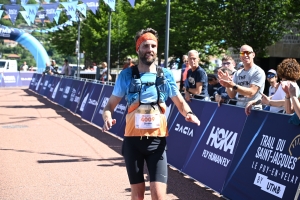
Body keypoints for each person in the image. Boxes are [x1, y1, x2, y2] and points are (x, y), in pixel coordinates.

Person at [102, 28, 200, 200]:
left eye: (153, 46)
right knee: (138, 195)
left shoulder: (165, 75)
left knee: (158, 195)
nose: (150, 50)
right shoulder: (126, 75)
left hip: (157, 142)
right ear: (138, 49)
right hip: (133, 142)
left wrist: (189, 113)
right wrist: (107, 117)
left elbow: (180, 102)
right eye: (145, 46)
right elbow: (109, 106)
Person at [218, 44, 265, 113]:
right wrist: (227, 84)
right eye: (242, 53)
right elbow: (231, 95)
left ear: (253, 55)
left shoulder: (258, 71)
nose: (245, 55)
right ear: (240, 57)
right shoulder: (238, 73)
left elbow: (251, 93)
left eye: (247, 52)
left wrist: (232, 85)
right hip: (239, 109)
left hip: (254, 110)